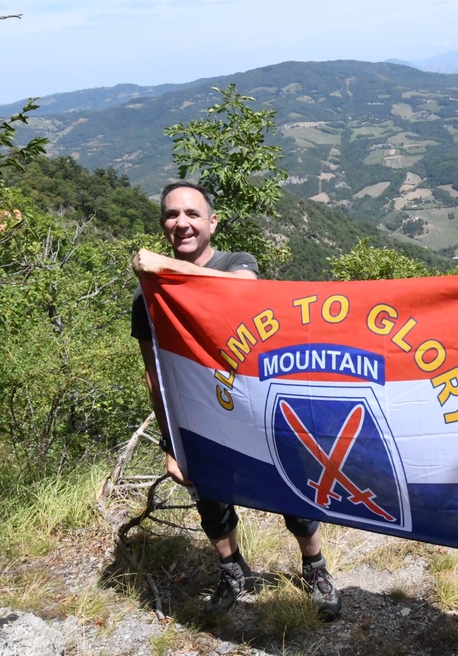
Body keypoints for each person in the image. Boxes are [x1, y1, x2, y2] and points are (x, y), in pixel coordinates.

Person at [131, 181, 342, 620]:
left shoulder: (236, 264)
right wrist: (171, 443)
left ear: (212, 221)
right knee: (210, 500)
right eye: (172, 215)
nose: (181, 223)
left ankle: (314, 567)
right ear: (163, 225)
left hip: (258, 411)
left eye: (192, 213)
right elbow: (155, 375)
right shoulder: (146, 297)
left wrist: (163, 271)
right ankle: (232, 569)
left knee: (294, 493)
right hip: (199, 418)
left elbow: (237, 293)